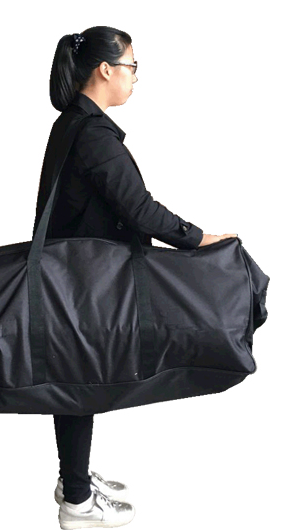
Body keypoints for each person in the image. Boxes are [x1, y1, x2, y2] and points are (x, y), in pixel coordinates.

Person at [33, 26, 237, 530]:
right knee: (78, 381)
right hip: (84, 281)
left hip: (74, 275)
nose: (135, 77)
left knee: (75, 378)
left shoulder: (73, 123)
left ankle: (74, 480)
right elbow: (139, 209)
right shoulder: (92, 134)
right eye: (132, 66)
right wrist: (201, 239)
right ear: (106, 70)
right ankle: (76, 504)